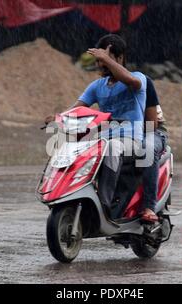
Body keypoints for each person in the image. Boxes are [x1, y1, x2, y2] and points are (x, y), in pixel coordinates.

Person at [45, 34, 147, 213]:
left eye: (105, 59)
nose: (100, 64)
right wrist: (58, 118)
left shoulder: (137, 78)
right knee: (72, 149)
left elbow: (132, 82)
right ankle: (67, 195)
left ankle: (104, 205)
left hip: (131, 141)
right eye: (99, 60)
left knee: (112, 148)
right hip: (101, 140)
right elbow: (75, 110)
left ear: (120, 58)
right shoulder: (96, 86)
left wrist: (106, 58)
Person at [140, 76, 168, 222]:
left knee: (147, 148)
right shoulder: (101, 85)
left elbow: (151, 124)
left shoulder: (141, 82)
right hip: (121, 131)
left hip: (151, 131)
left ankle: (149, 205)